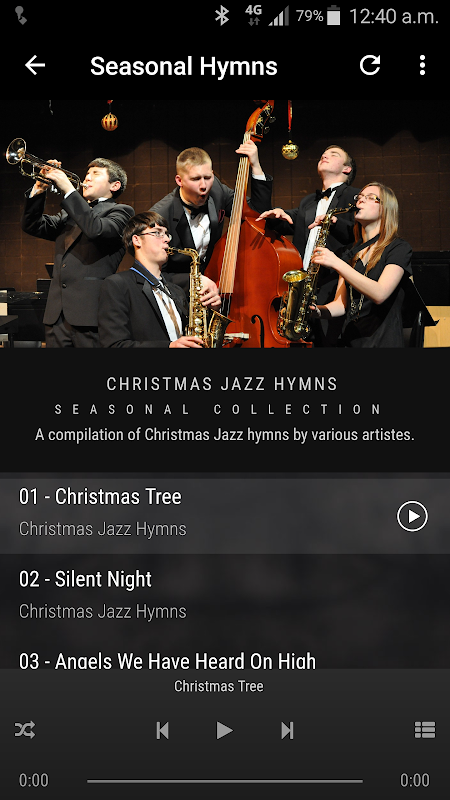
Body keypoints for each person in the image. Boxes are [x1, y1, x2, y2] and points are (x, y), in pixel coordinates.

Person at [21, 157, 134, 347]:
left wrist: (68, 190)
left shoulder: (122, 212)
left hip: (90, 316)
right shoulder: (69, 213)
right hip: (57, 317)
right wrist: (39, 188)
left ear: (114, 186)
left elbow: (96, 229)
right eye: (87, 174)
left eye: (95, 174)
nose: (87, 178)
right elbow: (32, 225)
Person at [257, 145, 358, 345]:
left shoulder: (355, 196)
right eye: (324, 154)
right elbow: (288, 220)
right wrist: (278, 214)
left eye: (334, 154)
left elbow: (357, 234)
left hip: (333, 284)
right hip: (303, 285)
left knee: (330, 342)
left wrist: (333, 222)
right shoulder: (309, 201)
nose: (325, 155)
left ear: (347, 169)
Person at [149, 142, 273, 294]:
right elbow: (153, 274)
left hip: (213, 288)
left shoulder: (217, 191)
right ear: (179, 180)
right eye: (195, 179)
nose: (204, 186)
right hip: (178, 293)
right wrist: (194, 281)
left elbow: (257, 213)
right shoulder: (160, 216)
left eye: (207, 177)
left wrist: (256, 166)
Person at [309, 182, 413, 347]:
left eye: (371, 197)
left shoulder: (399, 248)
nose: (361, 200)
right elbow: (340, 305)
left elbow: (380, 294)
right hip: (352, 342)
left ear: (385, 209)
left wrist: (336, 263)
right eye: (360, 197)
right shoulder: (351, 252)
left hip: (383, 343)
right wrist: (318, 311)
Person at [98, 211, 221, 348]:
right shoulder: (117, 285)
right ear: (137, 240)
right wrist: (169, 347)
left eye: (167, 234)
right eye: (157, 233)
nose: (167, 239)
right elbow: (114, 345)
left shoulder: (176, 291)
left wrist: (211, 311)